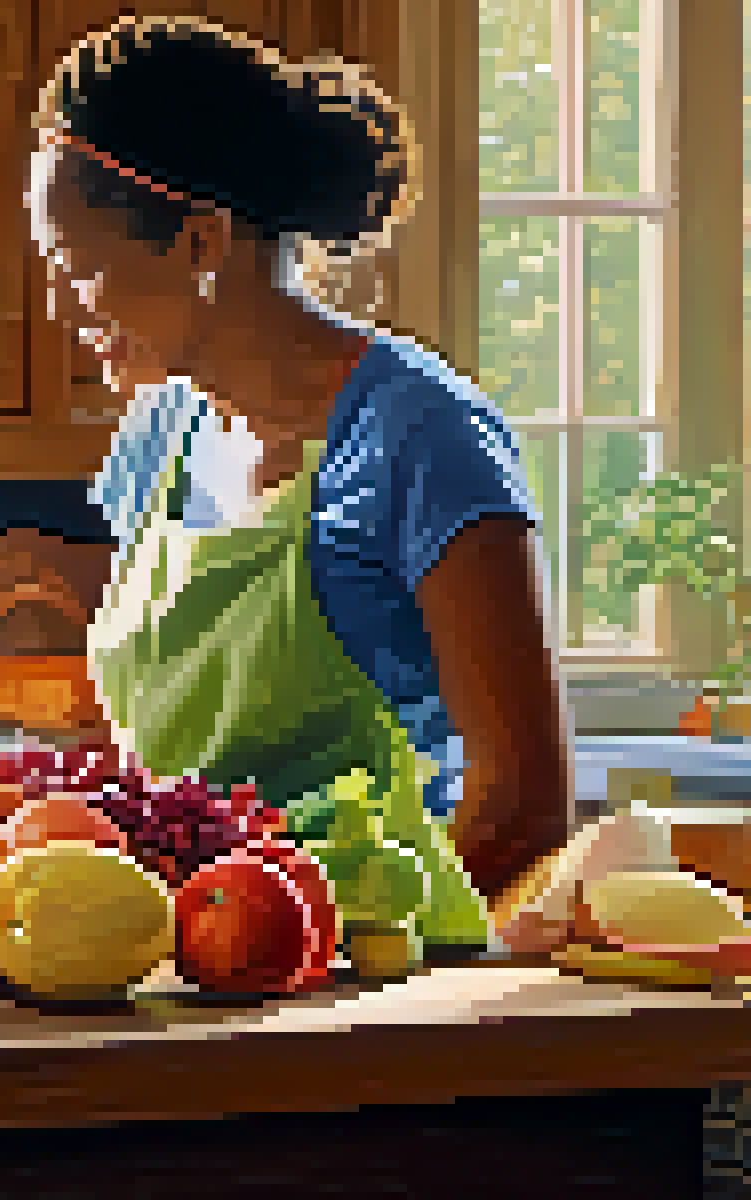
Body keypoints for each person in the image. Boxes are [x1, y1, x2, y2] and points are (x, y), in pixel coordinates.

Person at [29, 16, 574, 946]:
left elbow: (521, 804)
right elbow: (155, 761)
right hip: (189, 975)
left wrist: (322, 948)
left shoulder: (422, 433)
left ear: (201, 242)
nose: (63, 309)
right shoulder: (159, 433)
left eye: (79, 271)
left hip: (368, 1003)